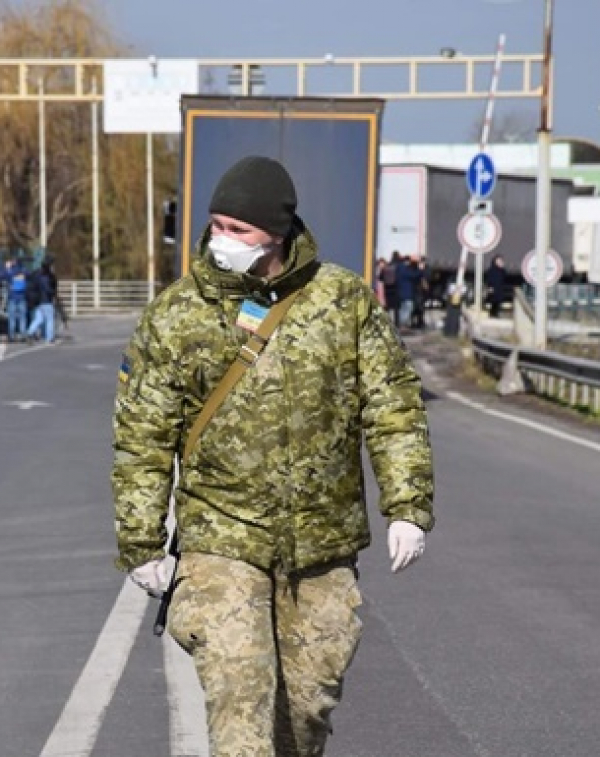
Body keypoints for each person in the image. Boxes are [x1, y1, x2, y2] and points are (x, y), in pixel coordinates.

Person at [112, 156, 435, 757]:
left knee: (305, 710)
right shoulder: (179, 314)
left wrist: (408, 505)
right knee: (241, 697)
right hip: (220, 537)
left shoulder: (341, 301)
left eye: (239, 229)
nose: (221, 241)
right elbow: (142, 434)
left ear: (277, 234)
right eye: (216, 225)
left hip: (322, 542)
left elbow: (392, 406)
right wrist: (141, 541)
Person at [26, 258, 59, 344]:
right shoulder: (47, 277)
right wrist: (53, 292)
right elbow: (48, 289)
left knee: (39, 319)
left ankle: (30, 332)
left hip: (38, 300)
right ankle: (49, 338)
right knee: (49, 319)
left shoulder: (38, 276)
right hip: (46, 301)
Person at [1, 258, 28, 342]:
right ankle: (23, 335)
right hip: (22, 297)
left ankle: (12, 336)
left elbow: (1, 276)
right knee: (22, 317)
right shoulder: (24, 271)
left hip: (12, 297)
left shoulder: (10, 272)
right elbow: (29, 275)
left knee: (12, 318)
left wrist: (7, 268)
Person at [396, 253, 425, 329]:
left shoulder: (400, 268)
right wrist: (421, 270)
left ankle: (401, 324)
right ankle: (402, 324)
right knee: (408, 308)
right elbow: (413, 275)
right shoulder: (403, 269)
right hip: (406, 293)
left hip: (402, 292)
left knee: (403, 309)